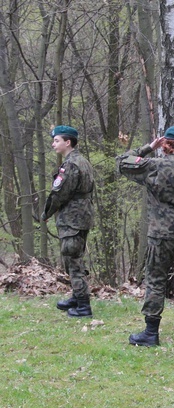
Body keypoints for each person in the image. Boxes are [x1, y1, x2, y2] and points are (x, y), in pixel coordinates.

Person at [117, 126, 174, 347]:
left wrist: (149, 147)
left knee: (156, 279)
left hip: (162, 233)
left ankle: (151, 332)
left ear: (165, 144)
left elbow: (122, 162)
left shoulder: (153, 166)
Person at [42, 125, 95, 318]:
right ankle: (76, 296)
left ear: (68, 142)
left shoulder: (71, 165)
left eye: (56, 140)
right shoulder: (83, 161)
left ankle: (83, 306)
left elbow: (60, 193)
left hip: (73, 219)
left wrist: (47, 212)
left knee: (73, 261)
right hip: (82, 216)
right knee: (73, 257)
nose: (53, 144)